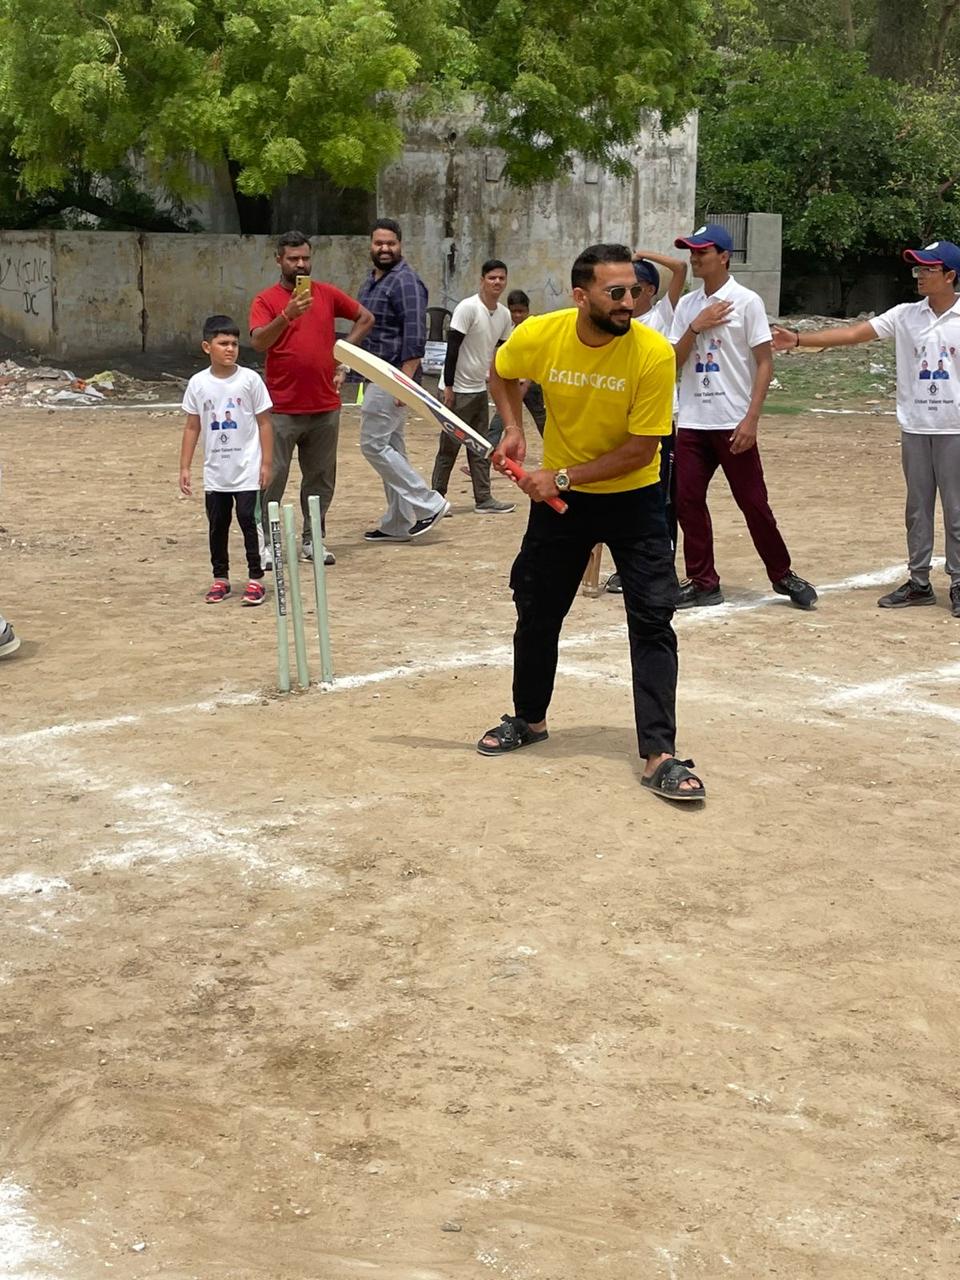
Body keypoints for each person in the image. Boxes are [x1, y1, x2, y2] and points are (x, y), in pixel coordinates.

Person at [479, 242, 706, 802]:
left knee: (652, 620)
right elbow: (501, 371)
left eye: (635, 290)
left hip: (635, 500)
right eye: (616, 292)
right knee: (536, 609)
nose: (630, 301)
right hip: (564, 505)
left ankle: (660, 753)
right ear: (581, 296)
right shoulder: (542, 334)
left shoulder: (652, 353)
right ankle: (529, 719)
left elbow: (642, 449)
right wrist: (513, 427)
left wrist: (559, 478)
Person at [771, 238, 960, 618]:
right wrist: (798, 340)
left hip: (955, 428)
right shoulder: (906, 315)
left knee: (956, 510)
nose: (920, 275)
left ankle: (958, 582)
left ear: (950, 275)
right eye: (918, 268)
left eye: (928, 269)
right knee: (917, 509)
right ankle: (919, 582)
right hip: (915, 426)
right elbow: (855, 334)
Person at [669, 223, 817, 610]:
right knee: (687, 501)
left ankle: (782, 573)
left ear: (724, 256)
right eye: (691, 251)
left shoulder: (747, 301)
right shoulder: (687, 306)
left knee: (753, 503)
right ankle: (703, 582)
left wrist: (752, 419)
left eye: (702, 251)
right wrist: (695, 327)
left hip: (733, 421)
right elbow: (673, 361)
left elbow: (764, 362)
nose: (695, 258)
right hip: (693, 421)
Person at [250, 230, 374, 566]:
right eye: (293, 259)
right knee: (272, 478)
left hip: (324, 405)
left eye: (305, 258)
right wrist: (287, 315)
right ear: (279, 260)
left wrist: (342, 353)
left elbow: (365, 317)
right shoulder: (266, 300)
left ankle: (313, 540)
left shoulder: (327, 293)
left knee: (320, 479)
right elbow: (259, 341)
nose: (301, 264)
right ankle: (266, 544)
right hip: (280, 408)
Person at [356, 218, 449, 542]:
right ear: (371, 245)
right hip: (375, 372)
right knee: (391, 445)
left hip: (393, 373)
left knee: (373, 444)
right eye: (379, 243)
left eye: (390, 243)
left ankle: (429, 503)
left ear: (400, 245)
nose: (384, 248)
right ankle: (398, 520)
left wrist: (405, 382)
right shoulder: (371, 282)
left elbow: (414, 332)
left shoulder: (406, 281)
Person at [607, 248, 687, 592]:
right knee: (624, 496)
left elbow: (680, 268)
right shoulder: (616, 324)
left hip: (659, 422)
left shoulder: (661, 316)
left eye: (635, 287)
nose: (626, 296)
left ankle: (662, 568)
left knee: (661, 498)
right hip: (622, 421)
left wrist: (643, 255)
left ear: (650, 291)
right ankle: (628, 567)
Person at [179, 315, 273, 606]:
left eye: (234, 343)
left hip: (246, 469)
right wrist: (185, 466)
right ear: (207, 347)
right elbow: (192, 426)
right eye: (223, 343)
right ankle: (220, 578)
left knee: (248, 521)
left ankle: (256, 578)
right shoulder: (198, 383)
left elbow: (265, 423)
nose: (230, 349)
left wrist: (266, 463)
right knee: (217, 525)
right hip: (216, 471)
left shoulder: (250, 380)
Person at [430, 259, 515, 514]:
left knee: (481, 447)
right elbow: (452, 348)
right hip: (456, 391)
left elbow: (501, 352)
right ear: (482, 280)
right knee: (449, 447)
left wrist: (499, 384)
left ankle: (484, 498)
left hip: (478, 389)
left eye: (501, 278)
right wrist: (448, 387)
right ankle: (435, 501)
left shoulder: (504, 315)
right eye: (492, 278)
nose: (497, 282)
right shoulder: (467, 308)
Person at [488, 290, 547, 442]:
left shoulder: (533, 330)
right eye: (514, 312)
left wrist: (526, 385)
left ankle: (556, 450)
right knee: (499, 421)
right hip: (511, 382)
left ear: (527, 310)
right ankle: (488, 453)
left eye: (521, 311)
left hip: (531, 384)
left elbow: (536, 359)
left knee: (542, 420)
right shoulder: (508, 330)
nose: (517, 315)